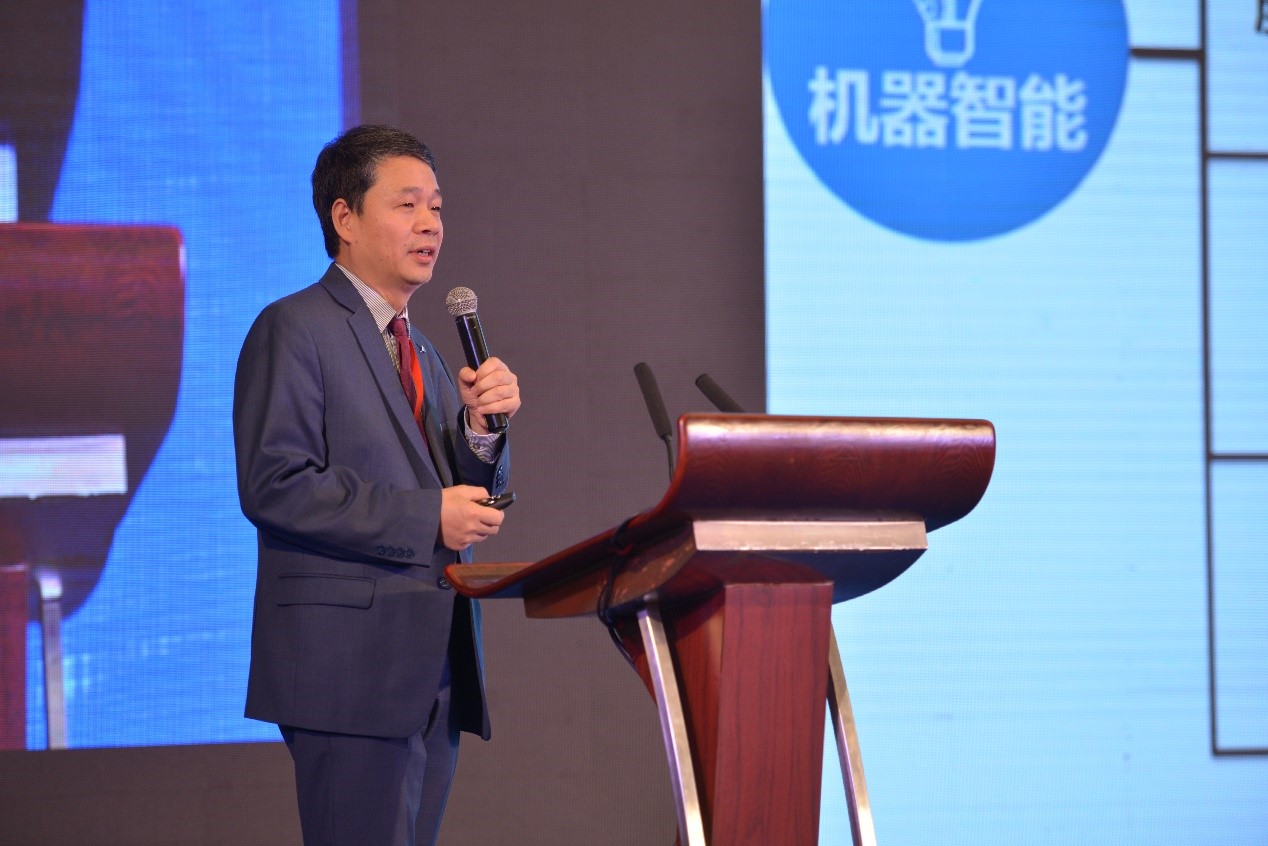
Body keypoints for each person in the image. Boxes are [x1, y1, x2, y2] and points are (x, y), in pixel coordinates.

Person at [233, 124, 520, 846]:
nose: (430, 223)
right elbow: (275, 485)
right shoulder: (293, 327)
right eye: (407, 204)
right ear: (345, 217)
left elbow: (457, 487)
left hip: (433, 661)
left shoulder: (422, 347)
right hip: (347, 669)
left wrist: (482, 432)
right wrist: (428, 518)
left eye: (437, 206)